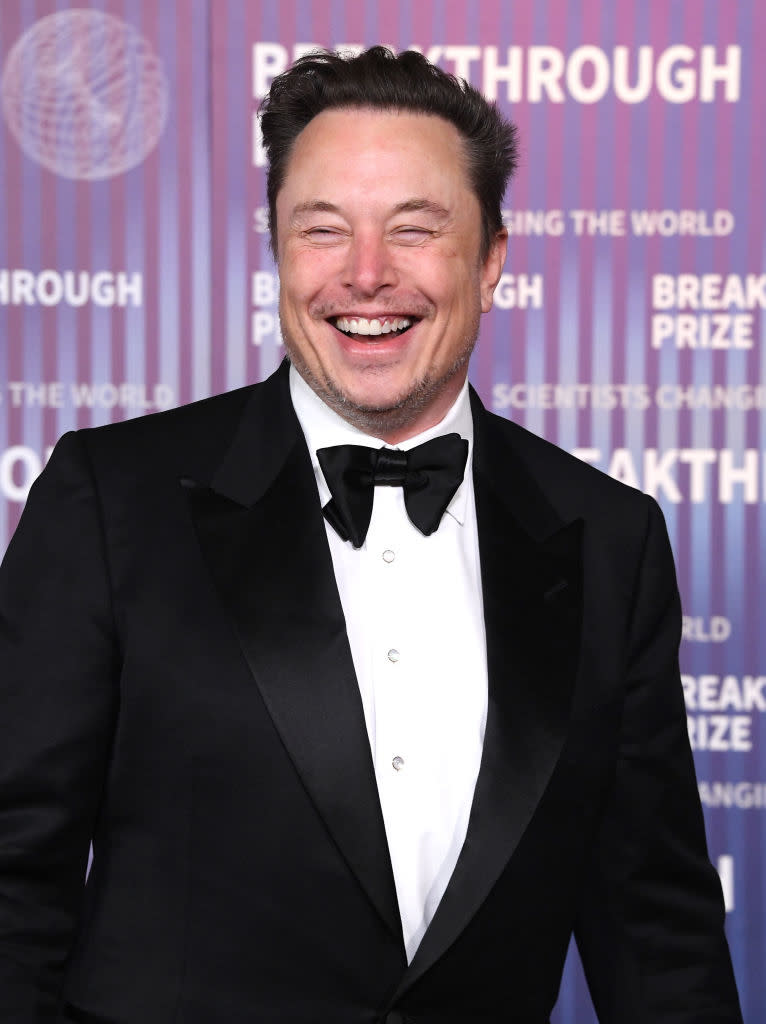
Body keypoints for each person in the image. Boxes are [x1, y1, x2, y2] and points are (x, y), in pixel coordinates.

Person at [0, 46, 742, 1024]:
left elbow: (657, 935)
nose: (364, 274)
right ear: (274, 251)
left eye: (414, 229)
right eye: (322, 229)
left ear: (490, 263)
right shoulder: (109, 501)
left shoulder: (609, 538)